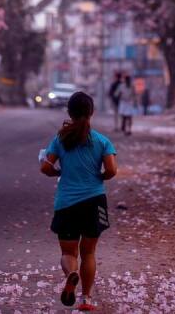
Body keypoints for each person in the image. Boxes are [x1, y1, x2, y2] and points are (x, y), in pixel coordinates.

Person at [40, 92, 118, 311]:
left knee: (68, 253)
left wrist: (56, 172)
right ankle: (86, 299)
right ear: (91, 112)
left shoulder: (60, 139)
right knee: (89, 252)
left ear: (69, 113)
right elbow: (111, 170)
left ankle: (71, 274)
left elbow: (45, 167)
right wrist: (101, 177)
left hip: (66, 203)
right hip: (94, 202)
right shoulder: (102, 141)